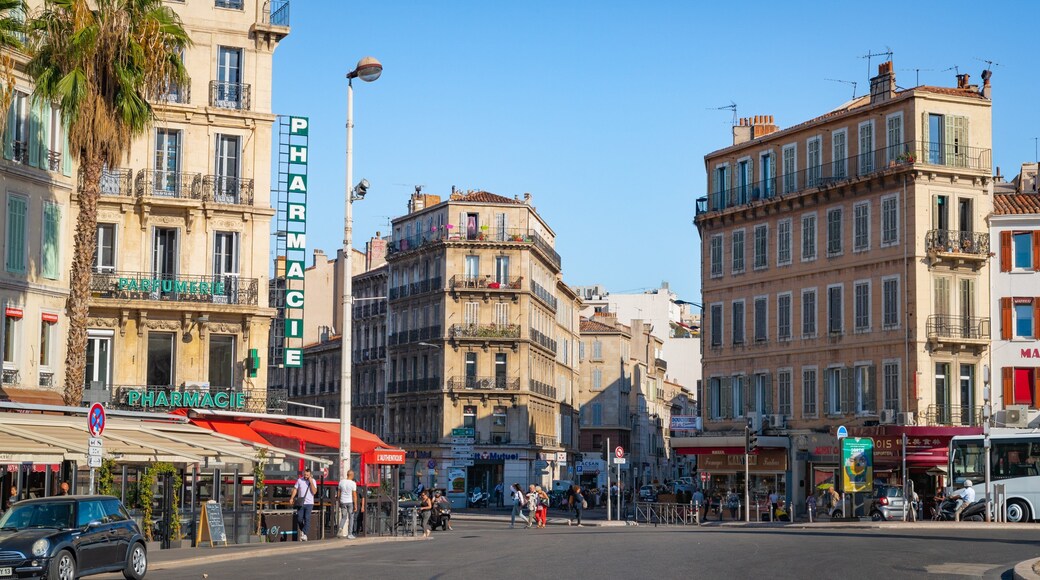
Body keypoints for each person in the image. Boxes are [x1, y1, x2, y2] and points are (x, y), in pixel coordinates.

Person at [288, 468, 317, 541]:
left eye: (307, 475)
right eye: (305, 474)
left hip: (309, 503)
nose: (306, 476)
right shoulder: (299, 480)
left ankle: (304, 533)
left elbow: (314, 492)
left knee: (307, 518)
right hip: (301, 503)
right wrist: (292, 498)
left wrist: (311, 482)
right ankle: (303, 530)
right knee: (299, 519)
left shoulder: (313, 481)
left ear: (310, 475)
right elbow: (295, 489)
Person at [337, 469, 358, 539]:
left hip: (343, 501)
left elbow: (338, 493)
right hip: (349, 502)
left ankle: (340, 528)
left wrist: (339, 501)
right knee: (351, 517)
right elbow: (354, 495)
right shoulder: (353, 483)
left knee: (344, 517)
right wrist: (355, 505)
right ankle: (350, 534)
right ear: (351, 475)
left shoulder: (341, 482)